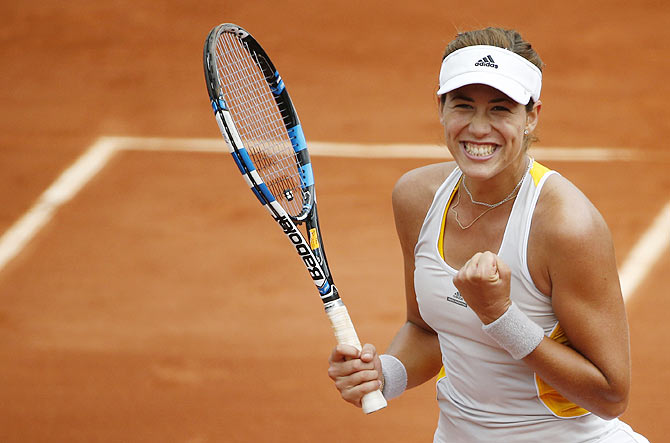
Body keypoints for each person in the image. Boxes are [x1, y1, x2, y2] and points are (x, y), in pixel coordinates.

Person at [327, 27, 649, 442]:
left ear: (531, 116)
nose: (479, 128)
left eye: (500, 109)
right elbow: (428, 329)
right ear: (440, 107)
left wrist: (501, 317)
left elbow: (610, 395)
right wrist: (384, 374)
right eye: (463, 106)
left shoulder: (565, 225)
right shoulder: (416, 198)